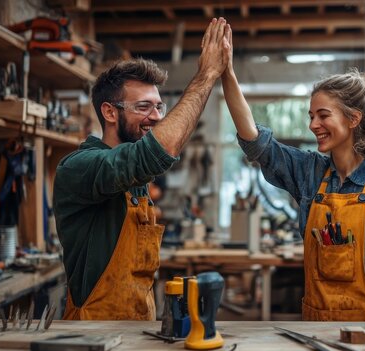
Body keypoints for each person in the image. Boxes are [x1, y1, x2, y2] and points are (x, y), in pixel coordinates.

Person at [221, 27, 365, 321]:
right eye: (310, 116)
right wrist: (226, 73)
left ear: (354, 118)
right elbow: (256, 144)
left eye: (323, 115)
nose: (313, 125)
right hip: (315, 328)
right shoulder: (310, 174)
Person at [53, 18, 231, 320]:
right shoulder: (80, 167)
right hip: (92, 330)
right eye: (144, 107)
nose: (157, 116)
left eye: (159, 106)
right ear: (109, 112)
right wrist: (206, 76)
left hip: (139, 322)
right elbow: (153, 154)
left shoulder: (135, 178)